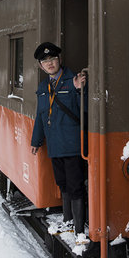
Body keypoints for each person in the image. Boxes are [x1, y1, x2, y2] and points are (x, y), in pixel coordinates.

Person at [30, 42, 89, 244]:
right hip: (54, 145)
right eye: (45, 61)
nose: (50, 63)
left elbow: (86, 111)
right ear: (41, 66)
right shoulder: (43, 87)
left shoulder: (73, 81)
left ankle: (80, 230)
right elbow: (40, 116)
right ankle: (68, 221)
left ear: (60, 60)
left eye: (53, 59)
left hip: (72, 145)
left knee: (75, 186)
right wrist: (36, 140)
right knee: (63, 185)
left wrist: (80, 91)